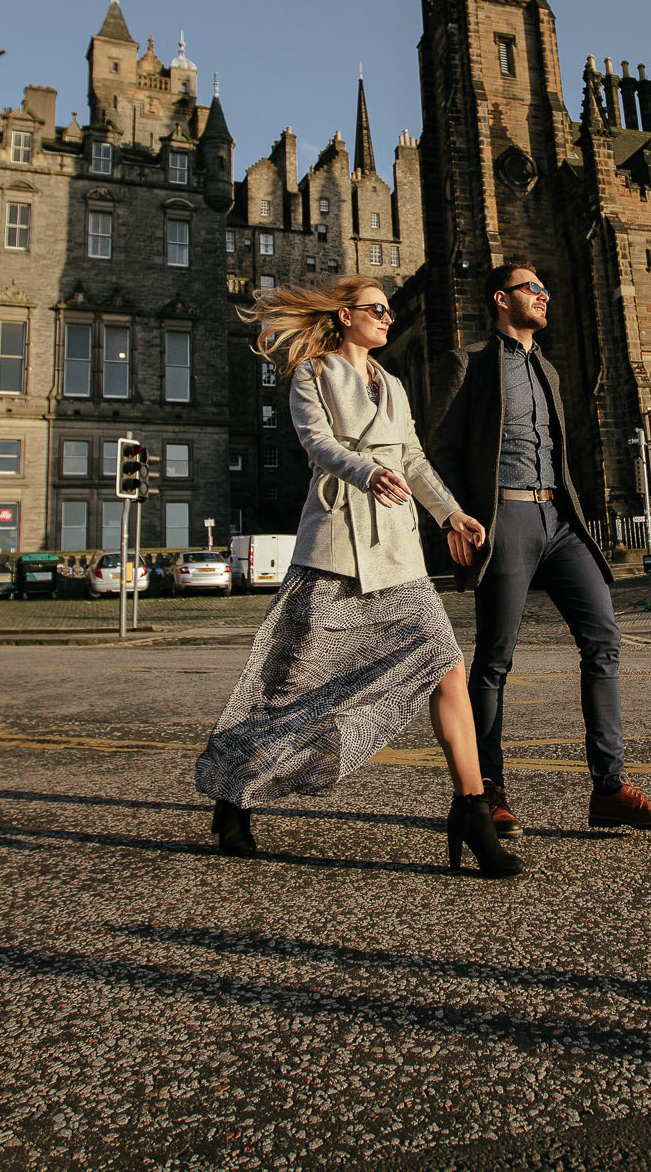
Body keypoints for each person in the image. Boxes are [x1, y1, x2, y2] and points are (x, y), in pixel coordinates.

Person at [193, 275, 522, 877]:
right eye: (377, 309)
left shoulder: (392, 382)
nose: (387, 317)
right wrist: (365, 472)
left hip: (397, 554)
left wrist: (450, 513)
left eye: (390, 311)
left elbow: (415, 460)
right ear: (345, 316)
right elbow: (317, 443)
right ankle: (232, 796)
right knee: (289, 691)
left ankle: (473, 812)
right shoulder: (313, 374)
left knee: (447, 668)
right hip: (336, 549)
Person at [430, 263, 651, 837]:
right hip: (506, 515)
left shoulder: (548, 368)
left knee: (603, 640)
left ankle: (610, 788)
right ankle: (487, 790)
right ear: (502, 299)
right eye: (531, 289)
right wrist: (453, 518)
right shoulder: (467, 363)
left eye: (546, 288)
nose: (544, 296)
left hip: (560, 518)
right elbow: (439, 447)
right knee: (494, 659)